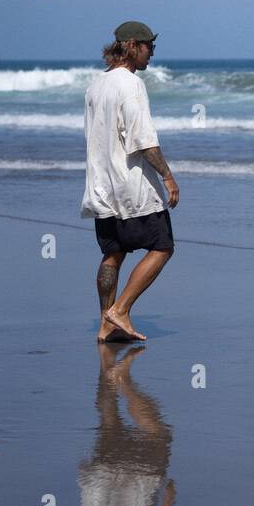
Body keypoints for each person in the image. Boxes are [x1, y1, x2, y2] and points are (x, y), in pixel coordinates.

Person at [81, 20, 180, 342]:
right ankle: (120, 310)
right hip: (132, 186)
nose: (152, 53)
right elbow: (142, 140)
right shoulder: (131, 84)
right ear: (133, 45)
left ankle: (105, 325)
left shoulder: (96, 84)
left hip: (100, 185)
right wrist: (168, 177)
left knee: (113, 253)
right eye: (149, 46)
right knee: (163, 247)